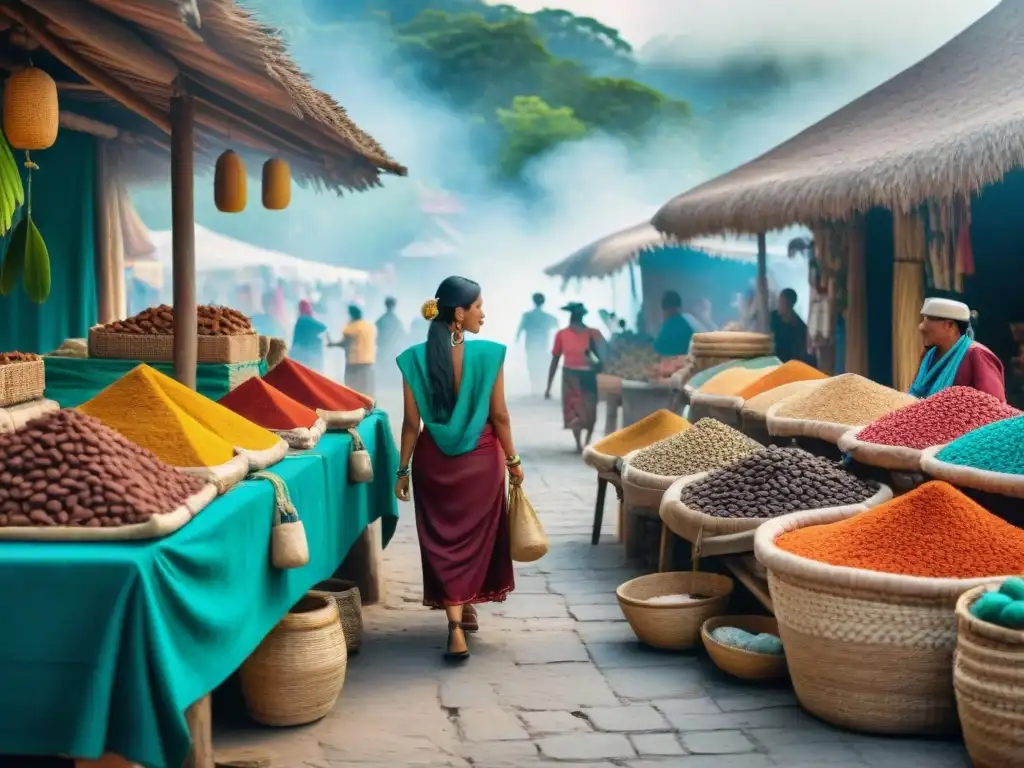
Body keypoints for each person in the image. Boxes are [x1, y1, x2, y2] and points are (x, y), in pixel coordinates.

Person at [394, 276, 521, 661]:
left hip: (433, 465)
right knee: (473, 541)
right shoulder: (489, 354)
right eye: (479, 306)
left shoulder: (414, 358)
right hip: (481, 463)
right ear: (460, 313)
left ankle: (455, 625)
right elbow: (499, 415)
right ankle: (464, 608)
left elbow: (410, 424)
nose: (484, 313)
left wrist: (402, 471)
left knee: (443, 542)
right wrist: (514, 460)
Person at [910, 298, 1005, 401]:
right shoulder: (928, 355)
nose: (921, 327)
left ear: (950, 325)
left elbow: (994, 407)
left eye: (929, 319)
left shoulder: (977, 354)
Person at [546, 302, 604, 452]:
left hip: (574, 376)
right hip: (579, 376)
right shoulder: (592, 333)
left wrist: (548, 386)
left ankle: (582, 443)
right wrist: (548, 386)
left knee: (577, 410)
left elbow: (555, 361)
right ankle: (583, 443)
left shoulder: (588, 333)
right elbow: (555, 359)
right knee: (585, 409)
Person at [517, 292, 558, 395]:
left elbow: (520, 329)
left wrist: (516, 341)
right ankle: (540, 387)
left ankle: (535, 387)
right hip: (543, 346)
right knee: (542, 365)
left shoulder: (527, 316)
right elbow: (557, 326)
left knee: (532, 366)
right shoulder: (548, 317)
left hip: (530, 346)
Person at [331, 304, 377, 395]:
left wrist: (332, 344)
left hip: (354, 361)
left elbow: (346, 342)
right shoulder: (370, 326)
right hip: (368, 361)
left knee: (352, 388)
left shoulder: (351, 327)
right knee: (367, 388)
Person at [770, 288, 810, 363]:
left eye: (782, 302)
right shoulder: (773, 317)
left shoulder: (799, 326)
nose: (779, 305)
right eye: (779, 301)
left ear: (791, 304)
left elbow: (801, 350)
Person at [376, 297, 406, 388]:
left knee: (384, 368)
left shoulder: (380, 320)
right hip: (393, 350)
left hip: (384, 349)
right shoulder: (397, 321)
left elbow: (375, 335)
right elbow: (402, 335)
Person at [290, 299, 328, 371]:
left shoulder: (300, 320)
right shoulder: (304, 319)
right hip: (306, 355)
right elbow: (323, 327)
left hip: (300, 354)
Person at [654, 291, 694, 356]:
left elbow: (657, 350)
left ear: (665, 310)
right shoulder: (690, 321)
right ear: (680, 307)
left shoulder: (667, 330)